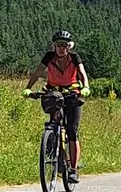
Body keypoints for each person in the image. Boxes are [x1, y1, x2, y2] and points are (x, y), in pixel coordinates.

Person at [25, 30, 90, 178]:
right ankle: (53, 147)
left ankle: (73, 170)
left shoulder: (74, 57)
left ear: (69, 47)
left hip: (73, 94)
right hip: (54, 93)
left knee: (72, 131)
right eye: (58, 45)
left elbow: (82, 73)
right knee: (54, 124)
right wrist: (28, 88)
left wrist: (85, 87)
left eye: (64, 45)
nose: (61, 48)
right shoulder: (49, 57)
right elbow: (37, 73)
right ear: (54, 46)